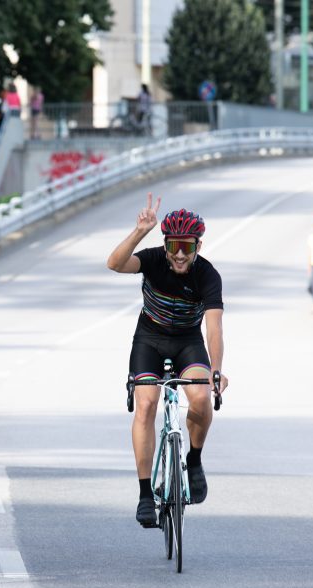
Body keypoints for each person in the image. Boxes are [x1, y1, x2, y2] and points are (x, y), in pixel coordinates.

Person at [106, 193, 228, 528]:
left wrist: (216, 371)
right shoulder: (153, 259)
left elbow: (214, 328)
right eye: (173, 246)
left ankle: (194, 458)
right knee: (146, 405)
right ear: (165, 245)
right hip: (149, 340)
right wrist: (140, 231)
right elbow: (114, 263)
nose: (179, 254)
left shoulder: (208, 275)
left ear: (198, 247)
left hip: (188, 342)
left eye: (186, 247)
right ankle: (146, 493)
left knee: (200, 397)